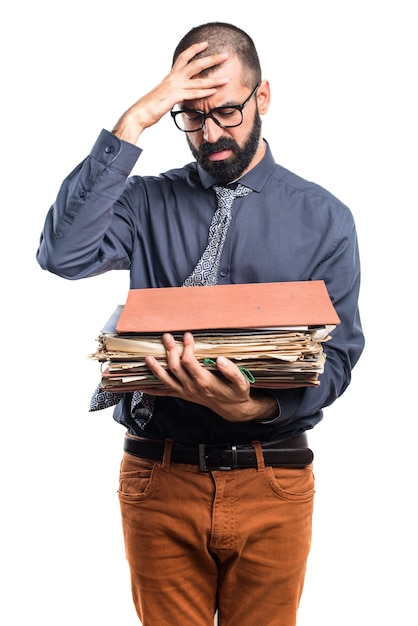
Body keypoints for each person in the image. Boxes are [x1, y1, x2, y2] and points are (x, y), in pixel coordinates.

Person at [36, 21, 365, 626]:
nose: (210, 134)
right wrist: (132, 124)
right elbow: (62, 254)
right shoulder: (143, 201)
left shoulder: (325, 218)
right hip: (158, 477)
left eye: (228, 112)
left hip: (274, 480)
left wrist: (256, 410)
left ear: (262, 98)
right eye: (190, 116)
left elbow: (338, 359)